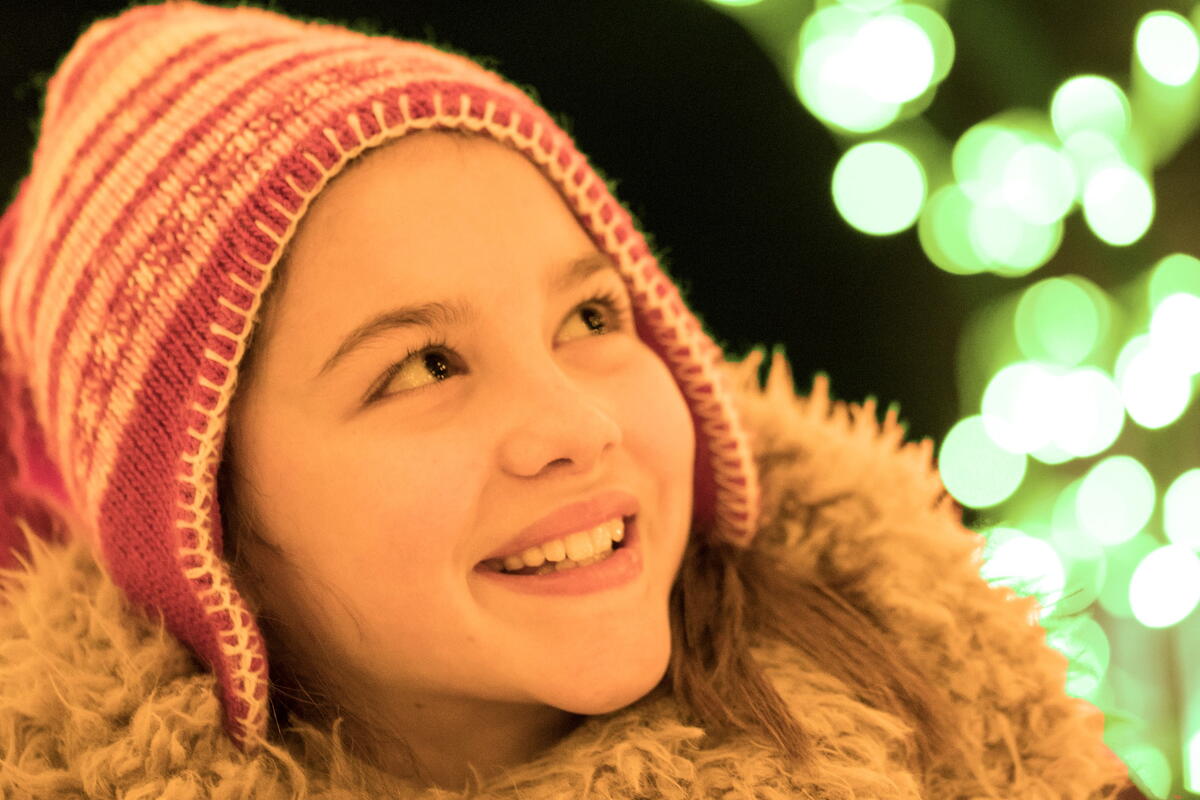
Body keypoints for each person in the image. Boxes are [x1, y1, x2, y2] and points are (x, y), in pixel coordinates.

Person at [0, 1, 1134, 797]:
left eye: (591, 318)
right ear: (198, 513)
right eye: (425, 366)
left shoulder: (974, 727)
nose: (580, 426)